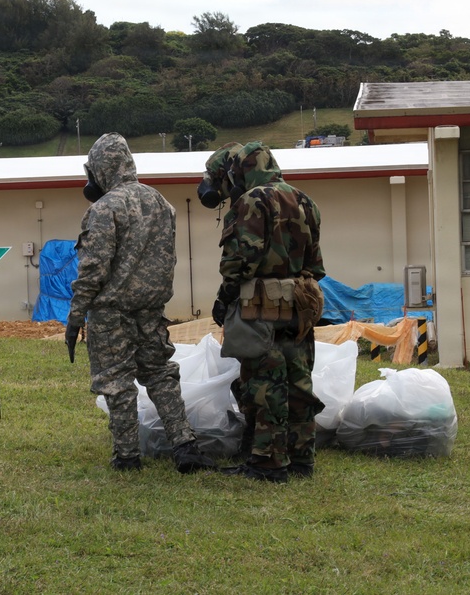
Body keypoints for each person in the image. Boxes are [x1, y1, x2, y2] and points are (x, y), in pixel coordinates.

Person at [65, 133, 215, 473]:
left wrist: (75, 316)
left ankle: (128, 456)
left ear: (101, 169)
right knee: (160, 375)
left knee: (117, 383)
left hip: (111, 312)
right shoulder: (162, 204)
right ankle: (185, 445)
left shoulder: (104, 209)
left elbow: (92, 269)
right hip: (151, 309)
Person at [197, 141, 326, 483]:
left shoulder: (251, 201)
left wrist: (224, 300)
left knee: (263, 385)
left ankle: (268, 464)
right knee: (298, 382)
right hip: (299, 308)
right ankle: (301, 459)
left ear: (240, 171)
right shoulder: (305, 200)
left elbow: (240, 262)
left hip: (259, 310)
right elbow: (316, 265)